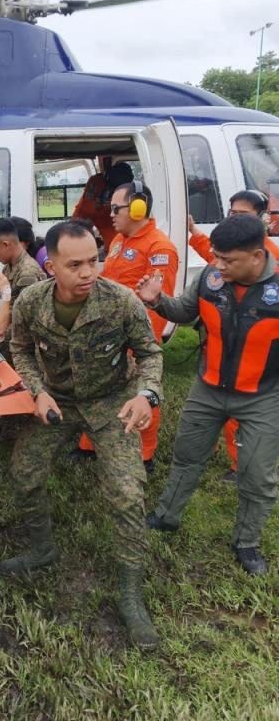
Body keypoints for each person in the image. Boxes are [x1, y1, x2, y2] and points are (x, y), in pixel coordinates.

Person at [4, 220, 164, 650]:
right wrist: (36, 392)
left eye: (94, 260)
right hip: (58, 402)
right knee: (24, 472)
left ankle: (131, 595)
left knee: (128, 494)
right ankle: (42, 548)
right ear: (50, 264)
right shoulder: (31, 302)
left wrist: (146, 395)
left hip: (112, 402)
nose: (88, 272)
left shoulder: (120, 301)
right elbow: (19, 349)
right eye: (75, 265)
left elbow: (150, 352)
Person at [138, 215, 279, 576]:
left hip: (263, 396)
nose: (217, 265)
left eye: (227, 260)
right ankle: (167, 516)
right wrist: (157, 301)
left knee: (257, 475)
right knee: (187, 456)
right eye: (215, 256)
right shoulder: (209, 279)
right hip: (208, 389)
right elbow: (183, 312)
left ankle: (247, 543)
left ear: (257, 255)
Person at [78, 181, 178, 471]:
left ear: (138, 208)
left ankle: (144, 454)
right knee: (97, 388)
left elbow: (158, 305)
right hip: (105, 333)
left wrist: (141, 345)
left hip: (134, 337)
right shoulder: (119, 241)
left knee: (141, 394)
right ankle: (90, 446)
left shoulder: (160, 248)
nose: (110, 215)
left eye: (115, 208)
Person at [189, 189, 279, 482]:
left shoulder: (270, 259)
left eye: (241, 214)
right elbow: (215, 256)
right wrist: (193, 233)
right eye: (231, 213)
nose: (234, 218)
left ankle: (240, 464)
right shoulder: (228, 257)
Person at [0, 218, 46, 356]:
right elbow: (11, 301)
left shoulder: (27, 272)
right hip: (13, 325)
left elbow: (23, 315)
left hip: (26, 335)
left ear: (6, 245)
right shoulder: (9, 266)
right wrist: (2, 292)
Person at [71, 162, 134, 250]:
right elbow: (86, 208)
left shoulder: (128, 190)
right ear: (108, 176)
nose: (114, 190)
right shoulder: (95, 182)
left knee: (114, 245)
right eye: (113, 187)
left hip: (108, 218)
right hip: (87, 214)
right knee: (73, 237)